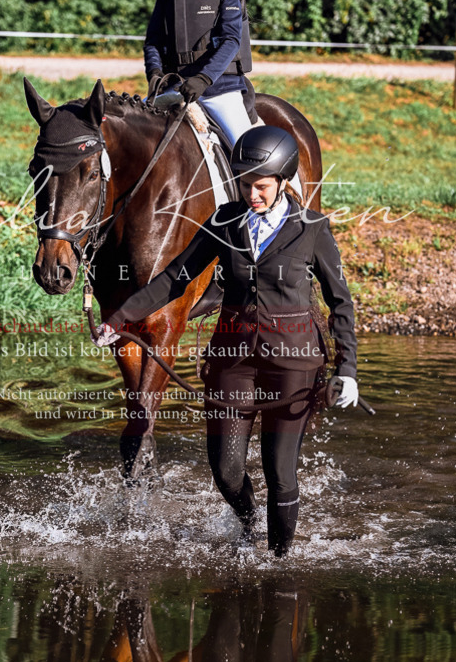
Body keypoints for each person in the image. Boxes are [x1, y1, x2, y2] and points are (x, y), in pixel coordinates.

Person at [93, 126, 358, 557]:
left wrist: (348, 369)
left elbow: (340, 302)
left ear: (285, 180)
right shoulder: (223, 221)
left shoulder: (313, 228)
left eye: (261, 186)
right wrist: (121, 317)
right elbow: (175, 278)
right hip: (232, 360)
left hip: (293, 365)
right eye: (244, 184)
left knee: (280, 473)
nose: (251, 193)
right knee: (226, 470)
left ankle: (278, 564)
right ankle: (250, 527)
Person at [144, 0, 254, 149]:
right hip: (175, 87)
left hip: (219, 90)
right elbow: (153, 41)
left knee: (247, 154)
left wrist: (203, 79)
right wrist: (154, 74)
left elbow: (231, 41)